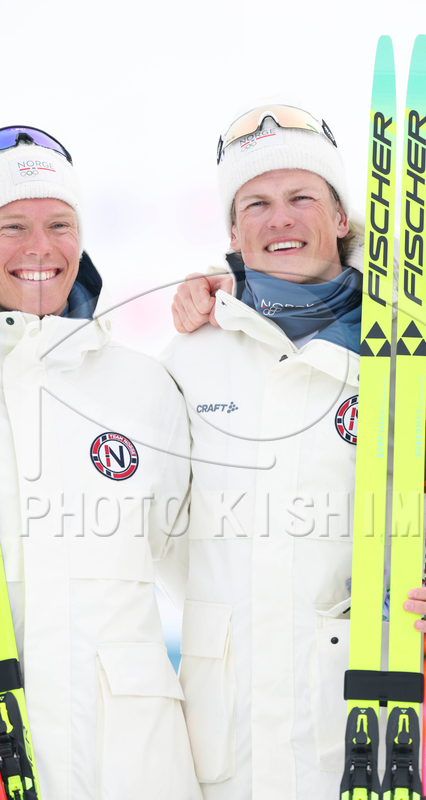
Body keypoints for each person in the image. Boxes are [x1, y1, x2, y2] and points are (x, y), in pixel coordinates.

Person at [166, 104, 426, 799]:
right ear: (232, 231)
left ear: (343, 216)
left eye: (301, 197)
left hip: (399, 728)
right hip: (237, 742)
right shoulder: (190, 357)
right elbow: (164, 538)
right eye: (256, 204)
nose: (279, 220)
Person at [0, 127, 201, 799]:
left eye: (59, 224)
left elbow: (208, 577)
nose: (39, 248)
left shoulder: (142, 387)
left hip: (135, 767)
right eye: (12, 226)